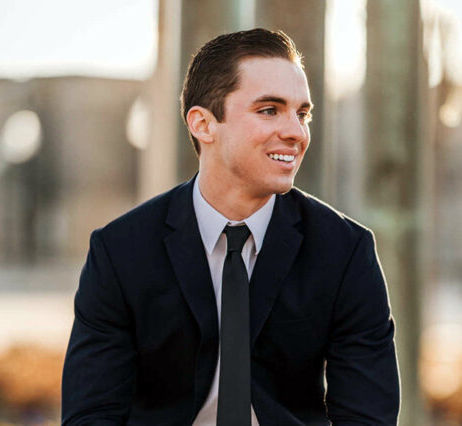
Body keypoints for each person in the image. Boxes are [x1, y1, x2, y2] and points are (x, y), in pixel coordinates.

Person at [62, 28, 400, 425]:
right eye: (270, 110)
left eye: (302, 113)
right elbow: (92, 415)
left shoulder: (345, 251)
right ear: (203, 124)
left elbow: (367, 417)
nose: (296, 132)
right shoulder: (120, 252)